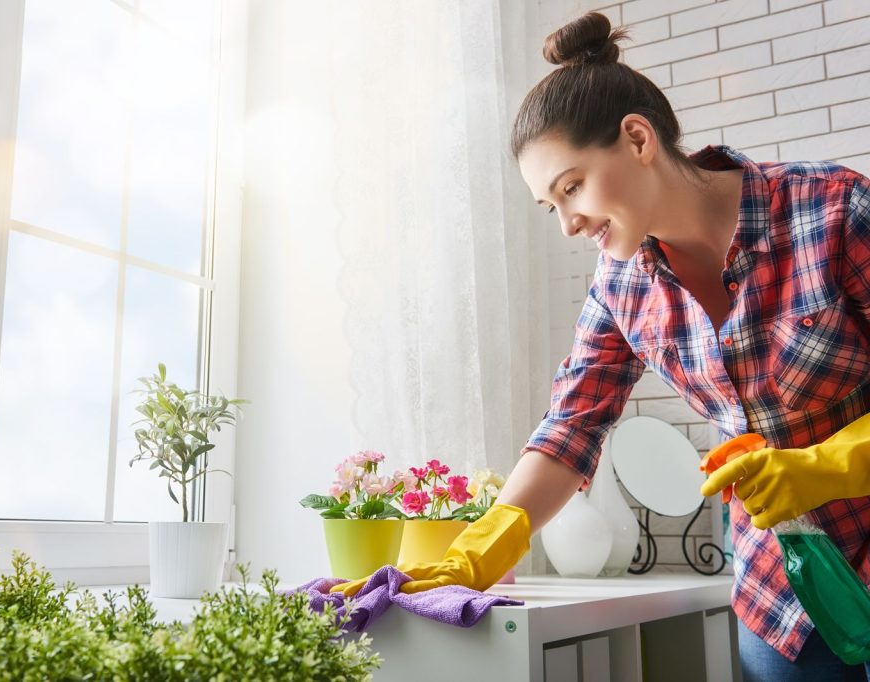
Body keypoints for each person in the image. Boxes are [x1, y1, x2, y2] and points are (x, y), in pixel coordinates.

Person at [332, 10, 870, 681]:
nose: (567, 223)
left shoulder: (832, 211)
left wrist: (827, 465)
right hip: (784, 601)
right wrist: (474, 555)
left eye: (571, 187)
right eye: (549, 205)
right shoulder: (622, 286)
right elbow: (571, 429)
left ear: (638, 139)